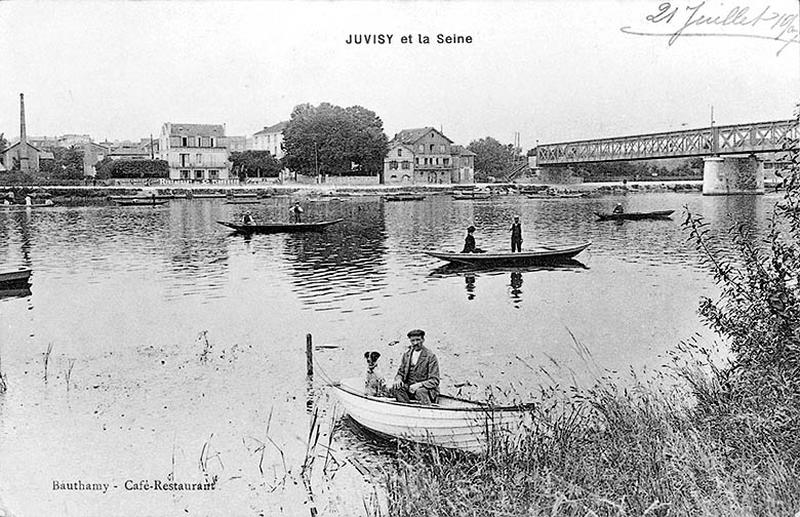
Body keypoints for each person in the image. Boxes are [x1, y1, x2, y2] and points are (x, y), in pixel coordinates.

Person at [392, 329, 439, 404]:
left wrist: (419, 385)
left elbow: (435, 380)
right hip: (409, 387)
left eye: (418, 340)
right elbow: (400, 372)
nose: (415, 343)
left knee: (420, 391)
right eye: (412, 341)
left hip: (425, 389)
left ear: (423, 340)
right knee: (397, 388)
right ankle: (406, 409)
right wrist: (398, 379)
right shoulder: (406, 355)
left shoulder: (430, 356)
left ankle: (426, 411)